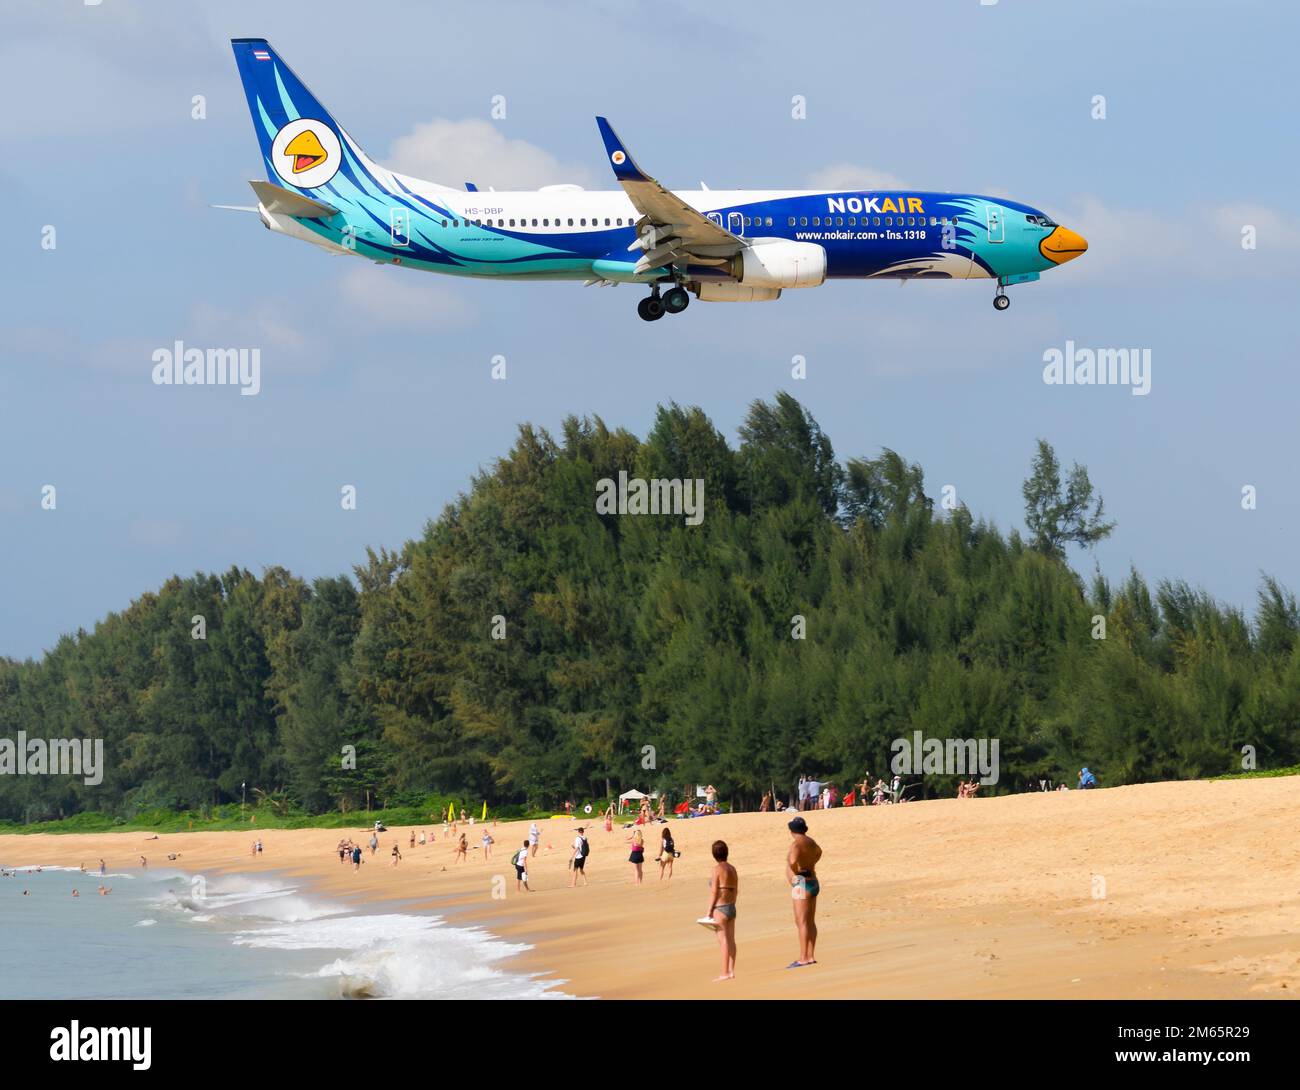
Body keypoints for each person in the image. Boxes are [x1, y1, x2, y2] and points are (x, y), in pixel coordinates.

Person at [785, 816, 822, 968]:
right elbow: (819, 853)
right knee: (810, 921)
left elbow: (793, 861)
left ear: (792, 830)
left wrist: (796, 871)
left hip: (801, 883)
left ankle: (803, 957)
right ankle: (811, 955)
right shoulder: (811, 842)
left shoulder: (796, 844)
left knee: (801, 922)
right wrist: (810, 863)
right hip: (813, 880)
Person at [705, 840, 738, 981]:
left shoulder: (716, 869)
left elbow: (713, 892)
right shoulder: (732, 869)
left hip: (720, 907)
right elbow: (736, 890)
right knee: (731, 940)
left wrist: (708, 911)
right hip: (731, 906)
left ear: (714, 854)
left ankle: (724, 973)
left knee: (723, 940)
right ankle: (731, 970)